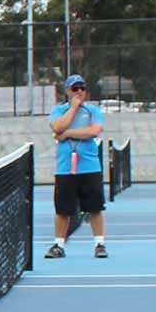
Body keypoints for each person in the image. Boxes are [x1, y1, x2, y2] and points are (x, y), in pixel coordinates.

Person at [46, 74, 106, 259]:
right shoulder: (59, 110)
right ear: (68, 91)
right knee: (62, 210)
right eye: (75, 88)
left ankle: (100, 244)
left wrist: (68, 133)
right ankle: (59, 245)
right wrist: (72, 108)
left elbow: (94, 131)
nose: (79, 92)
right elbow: (57, 127)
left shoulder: (92, 111)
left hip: (90, 167)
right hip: (65, 169)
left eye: (82, 88)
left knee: (94, 208)